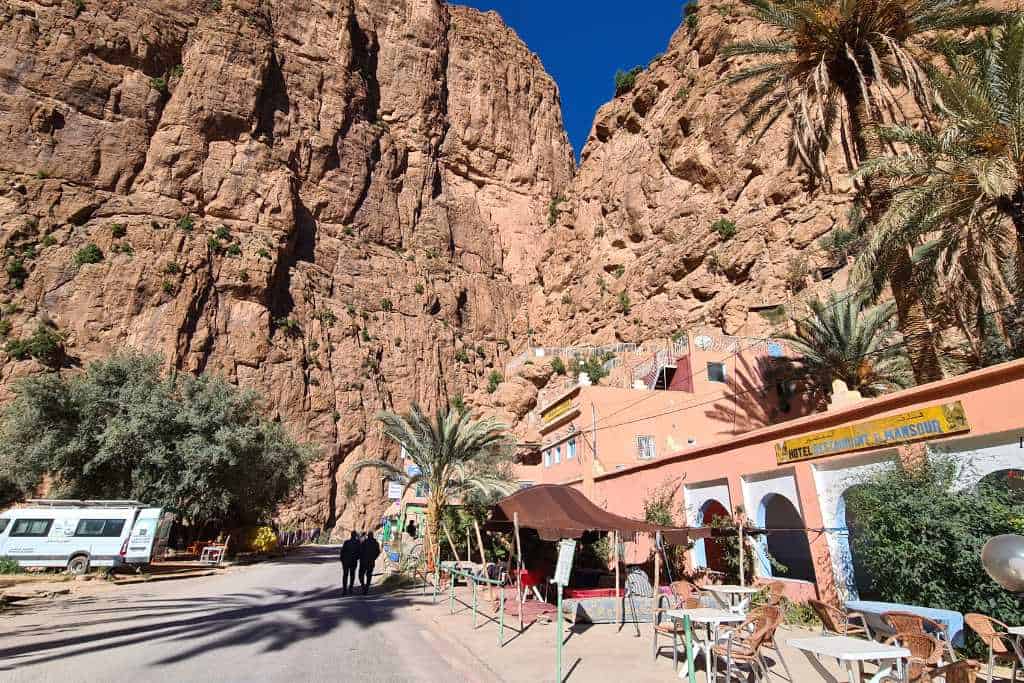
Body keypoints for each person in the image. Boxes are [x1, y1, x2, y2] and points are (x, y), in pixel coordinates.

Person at [339, 531, 361, 595]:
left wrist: (342, 559)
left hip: (346, 561)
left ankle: (344, 590)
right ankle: (350, 588)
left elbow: (342, 552)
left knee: (345, 575)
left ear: (351, 535)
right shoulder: (357, 543)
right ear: (355, 536)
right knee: (352, 575)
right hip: (353, 561)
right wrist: (357, 558)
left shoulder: (346, 542)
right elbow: (360, 552)